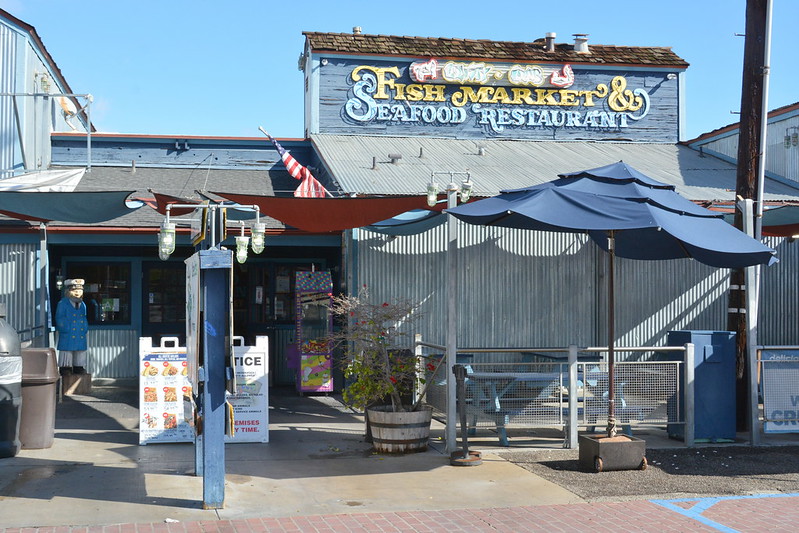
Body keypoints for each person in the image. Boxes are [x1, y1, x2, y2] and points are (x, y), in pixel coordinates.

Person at [55, 278, 89, 375]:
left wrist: (85, 327)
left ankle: (79, 366)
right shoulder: (63, 303)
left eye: (80, 290)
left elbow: (84, 316)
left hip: (80, 332)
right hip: (68, 332)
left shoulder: (83, 304)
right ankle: (66, 367)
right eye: (75, 291)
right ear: (69, 291)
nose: (78, 293)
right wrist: (65, 327)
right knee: (67, 351)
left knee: (80, 351)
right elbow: (59, 317)